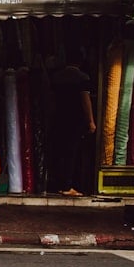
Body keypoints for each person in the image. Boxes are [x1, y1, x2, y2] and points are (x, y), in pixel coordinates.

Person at [49, 55, 96, 195]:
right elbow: (85, 100)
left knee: (59, 152)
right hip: (75, 119)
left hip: (58, 117)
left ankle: (58, 183)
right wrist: (90, 121)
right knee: (71, 152)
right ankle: (67, 186)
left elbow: (50, 98)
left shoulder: (56, 77)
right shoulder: (82, 78)